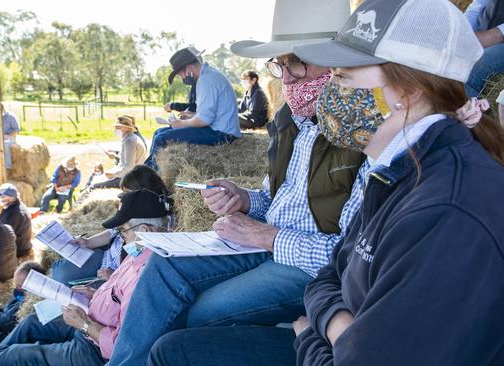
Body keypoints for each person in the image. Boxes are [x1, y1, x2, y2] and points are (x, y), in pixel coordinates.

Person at [150, 0, 504, 365]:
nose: (330, 94)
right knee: (171, 350)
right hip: (331, 336)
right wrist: (337, 324)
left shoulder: (445, 209)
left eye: (342, 77)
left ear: (408, 91)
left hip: (322, 348)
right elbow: (329, 276)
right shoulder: (395, 169)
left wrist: (311, 336)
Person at [109, 0, 366, 364]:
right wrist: (245, 199)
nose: (287, 77)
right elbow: (277, 196)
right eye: (280, 63)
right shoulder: (293, 120)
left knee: (198, 313)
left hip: (308, 266)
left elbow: (352, 256)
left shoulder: (366, 136)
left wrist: (267, 236)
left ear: (337, 60)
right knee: (161, 267)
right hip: (263, 242)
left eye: (296, 61)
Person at [0, 189, 172, 366]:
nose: (120, 237)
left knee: (20, 356)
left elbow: (125, 346)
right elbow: (116, 295)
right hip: (91, 318)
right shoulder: (139, 254)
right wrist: (94, 293)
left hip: (94, 350)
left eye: (123, 231)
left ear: (146, 229)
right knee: (32, 321)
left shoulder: (150, 277)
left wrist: (85, 325)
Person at [51, 165, 173, 284]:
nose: (123, 199)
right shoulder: (131, 211)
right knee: (59, 273)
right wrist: (89, 242)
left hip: (118, 276)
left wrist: (115, 278)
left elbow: (136, 271)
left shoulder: (157, 229)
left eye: (127, 194)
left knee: (74, 290)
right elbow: (113, 231)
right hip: (107, 257)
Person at [144, 47, 242, 170]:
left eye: (181, 75)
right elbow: (209, 114)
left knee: (161, 138)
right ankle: (145, 170)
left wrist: (181, 123)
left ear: (189, 68)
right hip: (219, 128)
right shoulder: (208, 76)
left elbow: (204, 120)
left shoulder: (206, 80)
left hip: (222, 134)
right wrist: (192, 115)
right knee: (159, 132)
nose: (182, 78)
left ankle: (150, 176)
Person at [93, 116, 146, 189]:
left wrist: (114, 174)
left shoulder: (129, 141)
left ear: (126, 128)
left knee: (93, 186)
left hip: (130, 179)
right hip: (131, 176)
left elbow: (129, 167)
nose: (115, 130)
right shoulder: (130, 138)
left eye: (118, 127)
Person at [464, 0, 504, 97]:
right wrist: (464, 31)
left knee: (468, 72)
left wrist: (494, 35)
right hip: (485, 27)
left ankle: (471, 110)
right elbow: (477, 6)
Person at [0, 183, 33, 259]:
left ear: (12, 197)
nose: (0, 198)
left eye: (3, 196)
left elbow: (5, 236)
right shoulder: (13, 206)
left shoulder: (15, 213)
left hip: (18, 251)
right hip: (20, 246)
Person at [163, 46, 202, 114]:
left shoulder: (204, 83)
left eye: (181, 75)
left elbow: (195, 107)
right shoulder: (195, 84)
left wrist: (173, 106)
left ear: (188, 69)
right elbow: (193, 108)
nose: (182, 78)